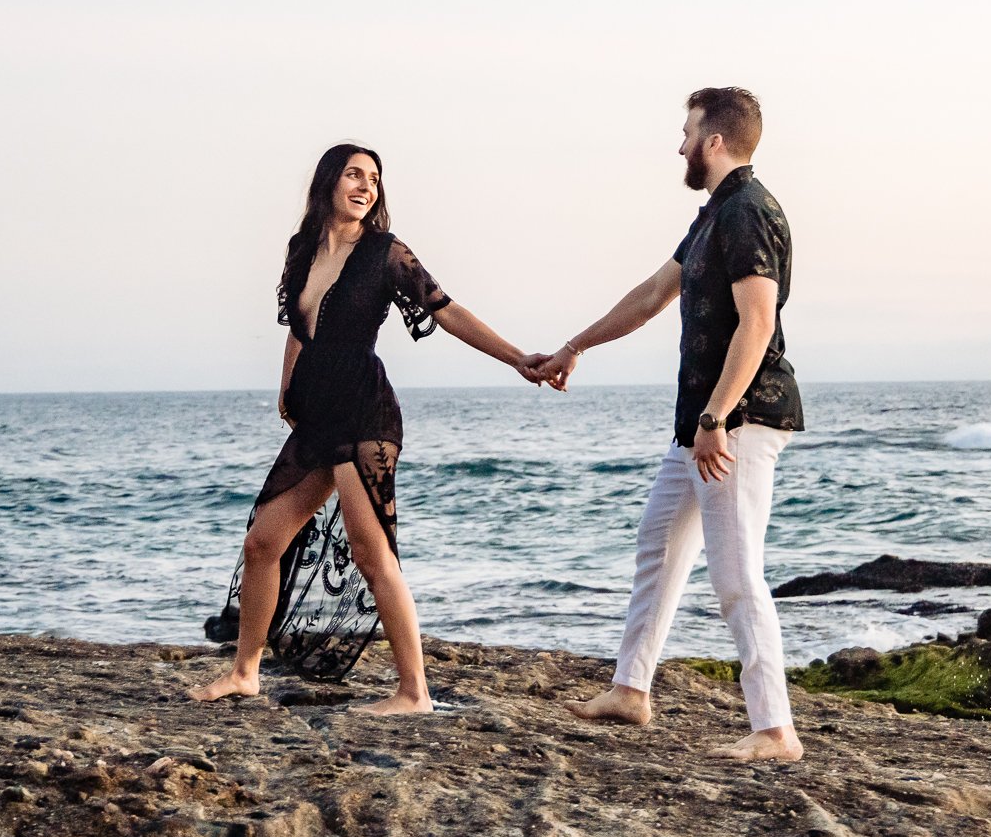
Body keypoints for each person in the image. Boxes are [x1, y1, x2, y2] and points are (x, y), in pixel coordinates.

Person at [190, 142, 538, 715]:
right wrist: (286, 388)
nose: (366, 186)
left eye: (374, 179)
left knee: (372, 555)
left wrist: (518, 358)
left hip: (366, 413)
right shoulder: (303, 252)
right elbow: (299, 330)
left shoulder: (385, 253)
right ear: (328, 182)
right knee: (262, 542)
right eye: (355, 174)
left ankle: (414, 693)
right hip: (318, 416)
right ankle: (246, 672)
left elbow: (445, 309)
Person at [524, 87, 806, 762]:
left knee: (736, 574)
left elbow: (758, 321)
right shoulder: (713, 216)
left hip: (734, 420)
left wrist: (716, 415)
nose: (679, 144)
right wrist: (575, 346)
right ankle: (631, 689)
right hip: (701, 426)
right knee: (659, 541)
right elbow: (652, 296)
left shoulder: (747, 211)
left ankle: (775, 730)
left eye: (686, 133)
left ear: (714, 140)